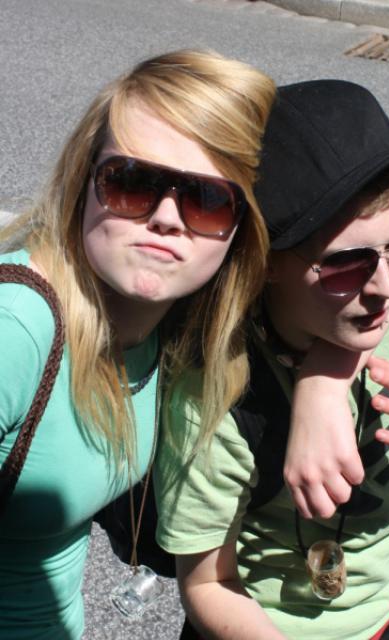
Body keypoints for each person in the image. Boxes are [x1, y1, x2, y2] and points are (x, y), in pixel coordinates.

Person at [155, 79, 389, 639]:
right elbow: (207, 584)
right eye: (347, 266)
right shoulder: (213, 393)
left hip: (385, 609)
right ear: (265, 261)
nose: (385, 287)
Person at [0, 49, 275, 639]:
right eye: (131, 182)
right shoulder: (16, 329)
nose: (168, 218)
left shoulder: (174, 323)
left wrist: (327, 383)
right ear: (84, 182)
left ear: (241, 228)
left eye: (207, 199)